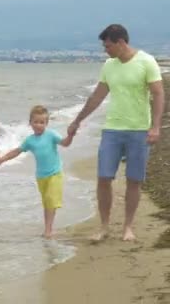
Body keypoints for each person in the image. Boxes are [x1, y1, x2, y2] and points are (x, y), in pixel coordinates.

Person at [67, 24, 165, 241]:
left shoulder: (146, 61)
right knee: (103, 178)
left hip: (139, 130)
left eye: (108, 45)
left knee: (134, 180)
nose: (106, 50)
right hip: (112, 129)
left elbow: (158, 94)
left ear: (121, 42)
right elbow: (97, 97)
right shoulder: (109, 65)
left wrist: (155, 127)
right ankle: (104, 226)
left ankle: (128, 227)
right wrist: (77, 120)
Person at [0, 105, 74, 239]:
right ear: (30, 123)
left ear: (46, 123)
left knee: (51, 200)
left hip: (55, 173)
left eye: (42, 122)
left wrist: (71, 135)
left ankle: (48, 230)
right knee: (46, 203)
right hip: (41, 176)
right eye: (36, 122)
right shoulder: (30, 140)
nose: (39, 125)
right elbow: (17, 151)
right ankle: (47, 228)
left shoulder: (51, 135)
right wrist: (2, 159)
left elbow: (65, 143)